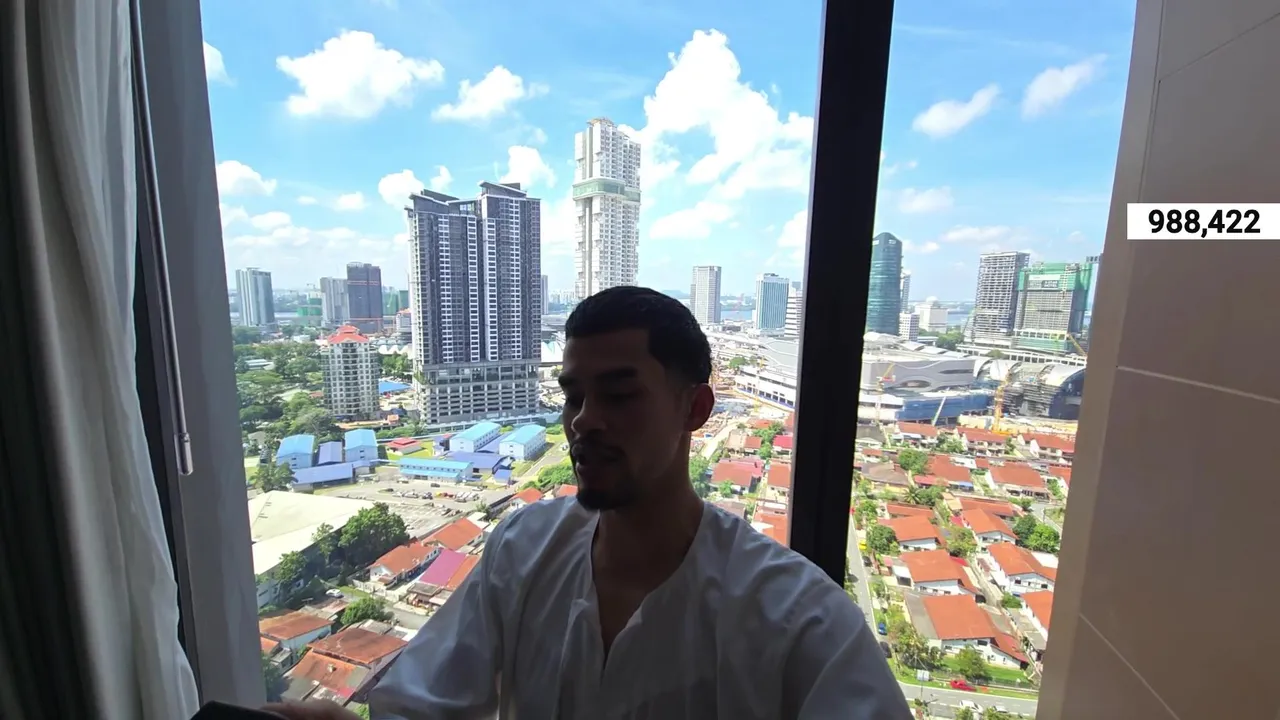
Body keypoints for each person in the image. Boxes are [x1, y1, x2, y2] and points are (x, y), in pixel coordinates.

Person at [275, 286, 909, 719]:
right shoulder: (523, 548)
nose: (583, 421)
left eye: (619, 395)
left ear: (694, 408)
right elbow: (425, 703)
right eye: (573, 395)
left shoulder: (799, 618)